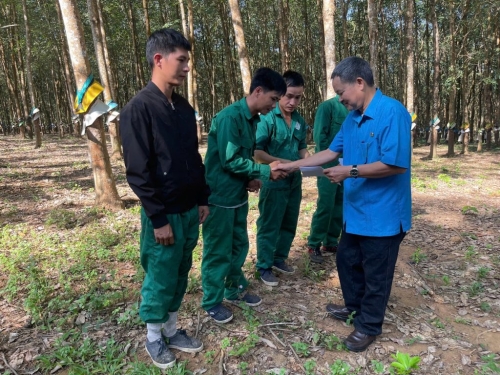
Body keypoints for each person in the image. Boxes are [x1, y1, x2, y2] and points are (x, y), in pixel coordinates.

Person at [274, 57, 411, 352]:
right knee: (347, 261)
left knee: (376, 272)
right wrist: (294, 165)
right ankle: (354, 308)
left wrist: (350, 171)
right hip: (357, 212)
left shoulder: (392, 112)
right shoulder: (351, 118)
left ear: (359, 83)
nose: (340, 99)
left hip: (384, 214)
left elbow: (395, 164)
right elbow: (330, 152)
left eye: (341, 92)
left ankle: (369, 325)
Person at [120, 28, 209, 369]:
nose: (187, 67)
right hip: (164, 214)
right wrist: (157, 218)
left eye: (188, 60)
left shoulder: (183, 109)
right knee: (160, 274)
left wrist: (203, 197)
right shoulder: (138, 109)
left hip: (189, 210)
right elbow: (138, 172)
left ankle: (172, 330)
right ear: (159, 59)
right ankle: (154, 337)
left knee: (181, 270)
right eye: (181, 60)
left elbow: (192, 157)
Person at [201, 67, 287, 323]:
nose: (274, 105)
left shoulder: (252, 120)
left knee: (238, 245)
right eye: (273, 99)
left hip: (236, 195)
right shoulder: (230, 118)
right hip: (220, 197)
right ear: (258, 91)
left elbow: (241, 159)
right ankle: (212, 301)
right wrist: (263, 170)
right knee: (218, 250)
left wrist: (250, 177)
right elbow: (229, 161)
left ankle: (232, 289)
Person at [253, 70, 310, 286]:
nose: (293, 102)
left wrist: (308, 159)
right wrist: (282, 162)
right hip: (274, 181)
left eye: (298, 97)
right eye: (289, 96)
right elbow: (257, 153)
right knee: (269, 223)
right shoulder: (267, 117)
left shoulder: (299, 121)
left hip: (294, 181)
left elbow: (302, 148)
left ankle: (279, 258)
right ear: (280, 94)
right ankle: (264, 265)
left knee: (289, 221)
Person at [306, 93, 348, 264]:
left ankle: (331, 241)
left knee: (340, 204)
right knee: (326, 204)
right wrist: (327, 163)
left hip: (348, 165)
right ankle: (314, 243)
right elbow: (320, 138)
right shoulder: (328, 107)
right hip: (328, 165)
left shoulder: (355, 107)